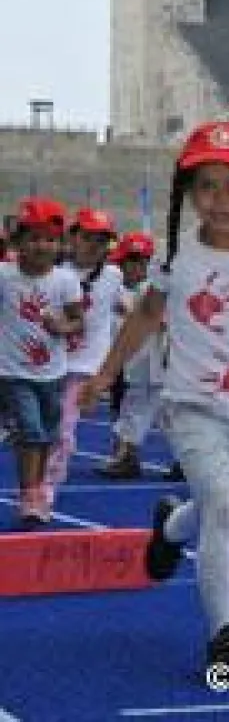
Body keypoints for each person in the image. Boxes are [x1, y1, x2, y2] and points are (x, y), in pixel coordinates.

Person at [79, 121, 229, 680]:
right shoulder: (177, 257)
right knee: (226, 509)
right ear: (190, 194)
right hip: (188, 404)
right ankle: (226, 634)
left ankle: (168, 528)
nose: (220, 199)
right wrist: (105, 373)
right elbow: (145, 316)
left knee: (221, 504)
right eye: (206, 186)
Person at [0, 198, 84, 526]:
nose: (41, 246)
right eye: (33, 238)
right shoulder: (5, 276)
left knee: (48, 434)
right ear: (18, 242)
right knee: (31, 432)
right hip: (12, 372)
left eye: (49, 238)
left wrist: (61, 326)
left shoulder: (65, 280)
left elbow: (79, 322)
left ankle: (35, 488)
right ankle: (30, 495)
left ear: (59, 243)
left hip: (53, 373)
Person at [42, 208, 123, 510]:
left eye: (101, 241)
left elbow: (122, 306)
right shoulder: (53, 273)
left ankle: (48, 485)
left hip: (84, 366)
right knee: (38, 427)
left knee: (64, 428)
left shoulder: (113, 276)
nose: (93, 246)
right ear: (72, 238)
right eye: (87, 237)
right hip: (47, 362)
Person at [95, 232, 162, 480]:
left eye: (142, 261)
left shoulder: (154, 291)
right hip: (138, 364)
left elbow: (162, 321)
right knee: (134, 409)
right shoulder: (124, 290)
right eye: (127, 262)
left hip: (157, 363)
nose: (133, 268)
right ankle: (126, 456)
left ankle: (128, 457)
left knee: (154, 412)